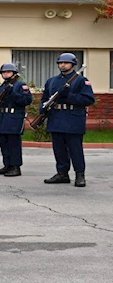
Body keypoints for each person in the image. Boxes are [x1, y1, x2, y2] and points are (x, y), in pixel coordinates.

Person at [39, 53, 95, 187]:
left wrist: (69, 95)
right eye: (60, 63)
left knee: (75, 149)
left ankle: (80, 175)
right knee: (59, 149)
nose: (62, 65)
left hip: (73, 118)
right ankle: (62, 173)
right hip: (56, 117)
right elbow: (45, 98)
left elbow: (88, 99)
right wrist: (43, 108)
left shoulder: (81, 80)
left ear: (73, 64)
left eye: (66, 63)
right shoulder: (52, 81)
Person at [0, 63, 33, 177]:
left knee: (13, 144)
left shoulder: (20, 86)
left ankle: (15, 167)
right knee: (3, 143)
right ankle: (7, 165)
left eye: (8, 72)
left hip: (13, 118)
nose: (6, 74)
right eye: (4, 72)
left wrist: (13, 93)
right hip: (2, 118)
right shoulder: (0, 88)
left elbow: (26, 100)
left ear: (14, 73)